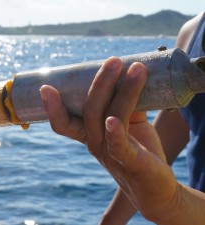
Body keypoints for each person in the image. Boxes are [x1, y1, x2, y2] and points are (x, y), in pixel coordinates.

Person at [39, 11, 205, 225]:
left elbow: (168, 200)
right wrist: (109, 221)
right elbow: (161, 146)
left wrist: (173, 204)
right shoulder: (191, 33)